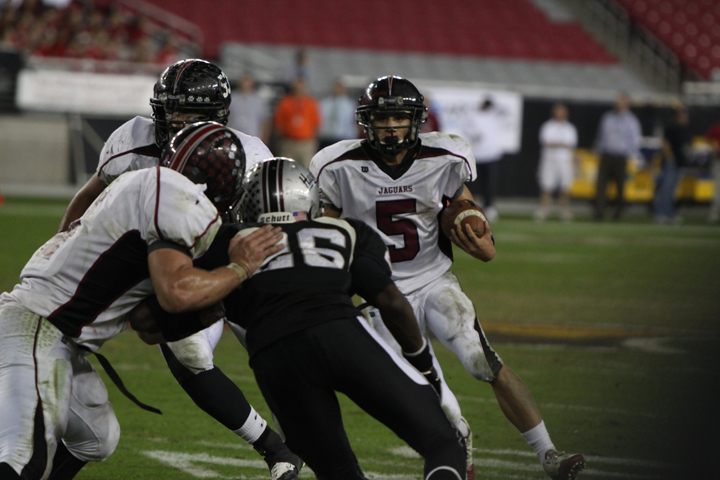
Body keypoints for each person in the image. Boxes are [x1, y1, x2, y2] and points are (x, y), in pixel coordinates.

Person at [310, 76, 586, 480]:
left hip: (434, 279)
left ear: (416, 120)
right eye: (382, 118)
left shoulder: (445, 156)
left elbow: (468, 213)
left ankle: (548, 453)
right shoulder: (337, 166)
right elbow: (326, 235)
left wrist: (476, 229)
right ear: (367, 122)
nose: (390, 127)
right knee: (432, 393)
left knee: (482, 361)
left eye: (399, 118)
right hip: (380, 295)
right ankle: (461, 461)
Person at [139, 158, 468, 480]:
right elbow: (392, 301)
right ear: (309, 197)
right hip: (339, 331)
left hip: (274, 355)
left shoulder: (227, 241)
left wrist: (218, 299)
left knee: (338, 472)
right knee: (443, 443)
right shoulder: (346, 231)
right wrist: (423, 364)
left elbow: (150, 323)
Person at [55, 59, 302, 479]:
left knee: (288, 352)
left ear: (221, 117)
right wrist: (60, 248)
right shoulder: (133, 140)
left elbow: (280, 220)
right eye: (177, 112)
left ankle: (297, 439)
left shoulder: (250, 151)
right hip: (176, 269)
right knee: (186, 350)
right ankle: (275, 450)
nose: (185, 122)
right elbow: (89, 195)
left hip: (239, 265)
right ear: (159, 110)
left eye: (197, 115)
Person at [0, 123, 285, 480]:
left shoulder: (146, 182)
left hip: (55, 334)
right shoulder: (177, 198)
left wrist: (219, 303)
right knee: (25, 459)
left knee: (97, 438)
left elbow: (148, 324)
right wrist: (240, 270)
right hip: (39, 328)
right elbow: (176, 292)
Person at [593, 92, 642, 221]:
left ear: (627, 103)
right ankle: (599, 213)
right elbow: (601, 136)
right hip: (606, 155)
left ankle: (618, 214)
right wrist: (599, 151)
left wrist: (633, 156)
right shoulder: (607, 117)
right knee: (601, 185)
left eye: (622, 101)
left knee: (620, 186)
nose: (618, 103)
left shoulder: (631, 120)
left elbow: (635, 140)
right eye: (617, 101)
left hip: (621, 156)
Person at [535, 103, 578, 222]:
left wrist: (557, 144)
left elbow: (571, 144)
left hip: (564, 161)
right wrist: (561, 144)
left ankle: (564, 211)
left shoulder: (570, 128)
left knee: (565, 187)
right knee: (546, 186)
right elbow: (547, 142)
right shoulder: (548, 126)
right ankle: (544, 210)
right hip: (549, 160)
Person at [465, 98, 504, 222]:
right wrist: (475, 134)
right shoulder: (473, 116)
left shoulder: (494, 117)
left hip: (492, 155)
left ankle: (489, 207)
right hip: (477, 154)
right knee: (473, 182)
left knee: (490, 184)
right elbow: (467, 130)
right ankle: (470, 205)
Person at [273, 76, 322, 168]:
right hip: (289, 143)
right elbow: (279, 124)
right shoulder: (285, 102)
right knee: (286, 170)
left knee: (307, 170)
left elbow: (316, 124)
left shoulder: (311, 103)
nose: (299, 89)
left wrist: (313, 142)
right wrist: (280, 142)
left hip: (306, 144)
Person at [653, 105, 690, 223]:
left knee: (671, 191)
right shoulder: (672, 128)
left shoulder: (683, 130)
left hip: (678, 164)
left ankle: (668, 214)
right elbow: (665, 144)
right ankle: (661, 214)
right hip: (671, 163)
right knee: (666, 190)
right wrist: (670, 159)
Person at [227, 73, 271, 145]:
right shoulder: (232, 98)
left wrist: (264, 140)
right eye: (244, 81)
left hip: (253, 138)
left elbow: (265, 121)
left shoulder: (259, 100)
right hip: (234, 137)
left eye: (248, 82)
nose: (245, 84)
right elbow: (228, 118)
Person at [317, 78, 358, 150]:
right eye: (336, 87)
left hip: (343, 138)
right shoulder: (325, 103)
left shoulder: (350, 105)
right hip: (326, 138)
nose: (338, 89)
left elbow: (352, 122)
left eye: (340, 87)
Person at [705, 121, 720, 224]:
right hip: (719, 160)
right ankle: (714, 214)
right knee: (718, 189)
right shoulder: (717, 128)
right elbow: (708, 137)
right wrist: (715, 148)